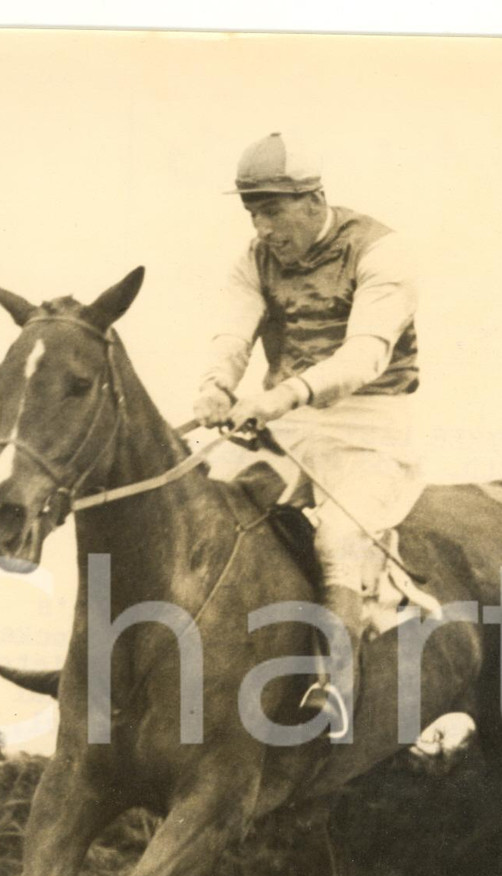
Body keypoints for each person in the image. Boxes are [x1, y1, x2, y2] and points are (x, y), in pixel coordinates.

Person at [193, 131, 425, 735]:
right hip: (288, 423)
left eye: (272, 210)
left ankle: (337, 685)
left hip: (372, 425)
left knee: (340, 537)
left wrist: (277, 397)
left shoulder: (382, 251)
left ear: (314, 199)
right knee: (213, 508)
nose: (263, 227)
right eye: (253, 212)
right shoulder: (253, 261)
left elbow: (364, 358)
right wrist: (217, 385)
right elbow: (232, 334)